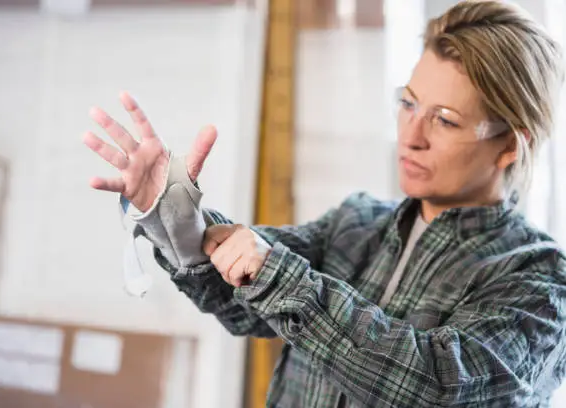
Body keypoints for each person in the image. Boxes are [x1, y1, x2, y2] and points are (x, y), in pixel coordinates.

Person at [83, 1, 566, 406]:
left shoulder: (539, 281)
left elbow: (437, 386)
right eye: (409, 103)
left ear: (509, 144)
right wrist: (173, 214)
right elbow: (242, 301)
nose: (410, 135)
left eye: (444, 119)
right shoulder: (356, 222)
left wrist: (276, 275)